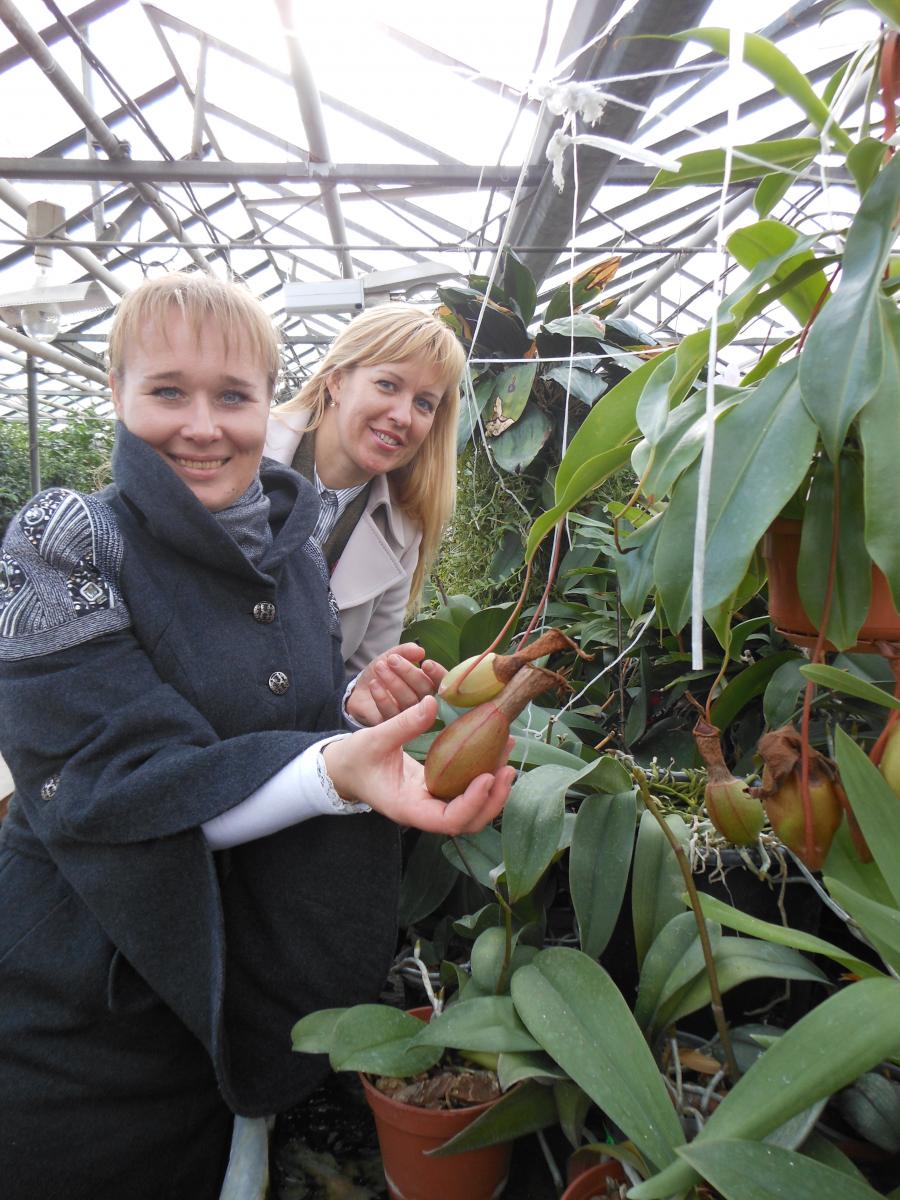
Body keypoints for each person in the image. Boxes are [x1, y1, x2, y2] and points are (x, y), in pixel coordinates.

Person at [0, 272, 514, 1200]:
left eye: (232, 397)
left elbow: (307, 702)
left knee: (220, 1126)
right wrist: (332, 769)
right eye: (168, 392)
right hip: (93, 965)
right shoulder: (68, 543)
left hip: (251, 932)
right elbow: (115, 783)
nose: (204, 425)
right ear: (117, 395)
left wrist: (358, 709)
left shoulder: (296, 549)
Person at [265, 303, 465, 673]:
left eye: (424, 403)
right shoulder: (248, 448)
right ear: (337, 380)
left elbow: (358, 675)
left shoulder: (404, 532)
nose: (402, 417)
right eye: (387, 385)